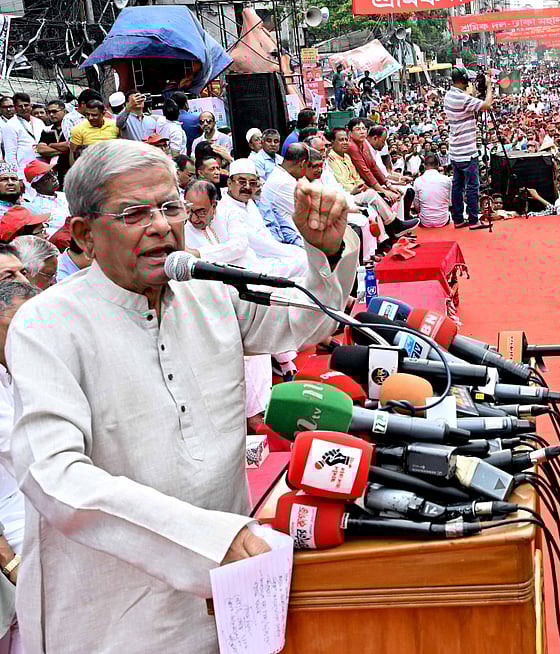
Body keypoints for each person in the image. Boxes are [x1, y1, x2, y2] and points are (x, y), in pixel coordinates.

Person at [6, 139, 359, 652]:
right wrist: (203, 539)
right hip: (116, 607)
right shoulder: (47, 323)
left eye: (170, 207)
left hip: (228, 583)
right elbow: (53, 476)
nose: (162, 225)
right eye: (134, 213)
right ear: (85, 234)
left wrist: (324, 249)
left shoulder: (207, 289)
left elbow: (306, 320)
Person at [445, 67, 495, 228]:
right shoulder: (462, 99)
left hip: (455, 151)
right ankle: (473, 220)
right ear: (463, 79)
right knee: (473, 186)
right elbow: (487, 105)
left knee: (457, 186)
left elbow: (471, 100)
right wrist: (489, 86)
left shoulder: (450, 95)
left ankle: (458, 219)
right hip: (467, 152)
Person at [412, 154, 453, 228]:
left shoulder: (418, 181)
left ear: (424, 165)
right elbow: (450, 202)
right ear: (438, 165)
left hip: (425, 220)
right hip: (443, 219)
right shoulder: (447, 180)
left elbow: (416, 205)